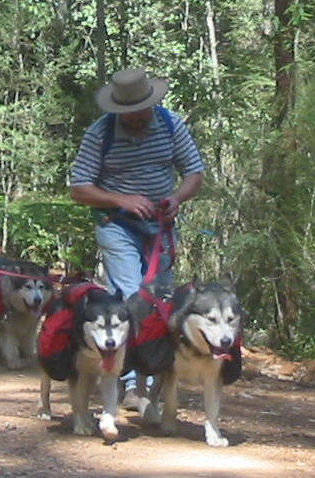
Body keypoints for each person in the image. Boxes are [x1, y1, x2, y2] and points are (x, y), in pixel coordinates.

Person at [70, 68, 205, 409]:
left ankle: (156, 379)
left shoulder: (171, 124)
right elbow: (79, 188)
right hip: (117, 225)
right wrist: (120, 199)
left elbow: (194, 173)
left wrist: (176, 198)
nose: (136, 118)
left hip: (160, 227)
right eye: (129, 113)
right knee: (131, 297)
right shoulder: (101, 134)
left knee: (160, 302)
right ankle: (129, 384)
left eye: (141, 111)